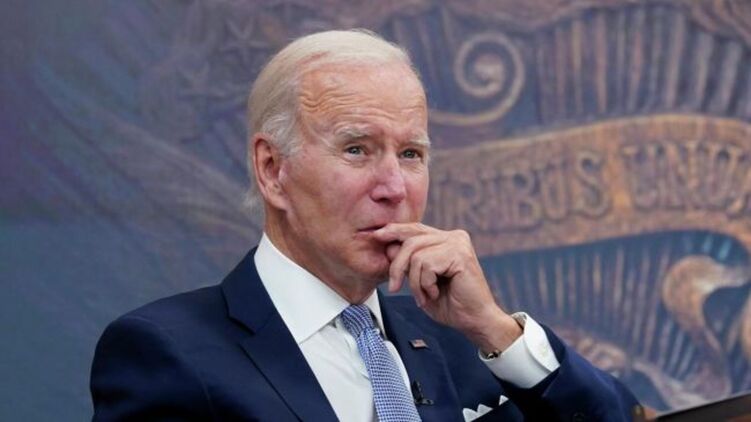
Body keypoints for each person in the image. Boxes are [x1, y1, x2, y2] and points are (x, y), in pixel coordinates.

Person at [90, 29, 639, 421]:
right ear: (273, 169)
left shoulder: (465, 342)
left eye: (411, 154)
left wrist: (497, 331)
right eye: (357, 149)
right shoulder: (168, 351)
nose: (394, 187)